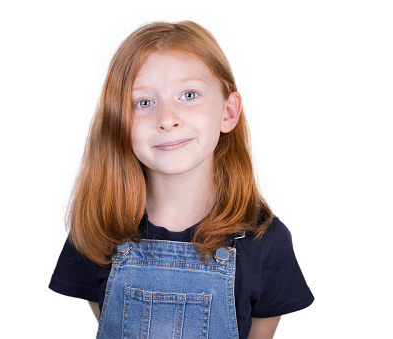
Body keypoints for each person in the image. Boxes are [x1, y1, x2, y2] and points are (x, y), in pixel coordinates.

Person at [49, 21, 314, 338]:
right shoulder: (97, 228)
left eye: (189, 95)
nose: (167, 119)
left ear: (228, 113)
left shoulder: (264, 241)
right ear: (119, 121)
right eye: (143, 102)